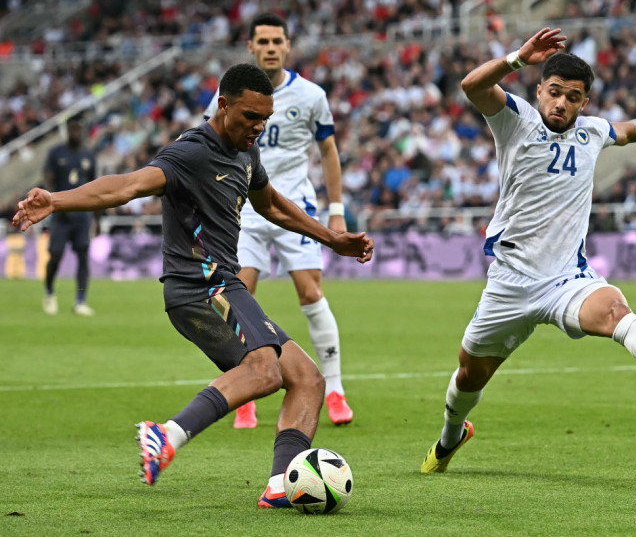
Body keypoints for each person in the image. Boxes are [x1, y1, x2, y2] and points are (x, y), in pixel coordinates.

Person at [13, 64, 374, 507]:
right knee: (264, 369)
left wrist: (333, 238)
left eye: (265, 119)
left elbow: (273, 205)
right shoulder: (192, 152)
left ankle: (281, 484)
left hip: (222, 284)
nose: (258, 128)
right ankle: (166, 434)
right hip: (200, 285)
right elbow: (126, 186)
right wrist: (57, 200)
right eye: (249, 117)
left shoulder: (245, 151)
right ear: (223, 106)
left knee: (307, 379)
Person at [420, 28, 636, 474]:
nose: (562, 104)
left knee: (614, 311)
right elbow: (472, 86)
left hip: (566, 280)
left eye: (573, 97)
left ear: (584, 102)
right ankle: (449, 438)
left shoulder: (592, 132)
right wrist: (518, 57)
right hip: (510, 282)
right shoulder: (516, 120)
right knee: (469, 376)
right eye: (554, 93)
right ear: (539, 91)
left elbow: (625, 131)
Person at [204, 12, 354, 428]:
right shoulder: (229, 93)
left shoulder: (311, 95)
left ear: (288, 46)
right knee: (239, 294)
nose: (270, 47)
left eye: (277, 41)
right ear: (250, 47)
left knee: (309, 291)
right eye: (263, 41)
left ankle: (336, 388)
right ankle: (248, 389)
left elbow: (328, 152)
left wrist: (336, 210)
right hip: (245, 208)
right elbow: (209, 142)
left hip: (296, 204)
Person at [42, 116, 98, 316]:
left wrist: (97, 218)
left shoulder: (88, 156)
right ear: (67, 130)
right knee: (55, 256)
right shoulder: (56, 153)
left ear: (82, 131)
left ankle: (80, 301)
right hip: (61, 215)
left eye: (78, 130)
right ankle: (49, 293)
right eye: (72, 129)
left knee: (83, 257)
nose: (76, 133)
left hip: (82, 217)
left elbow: (96, 187)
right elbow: (48, 180)